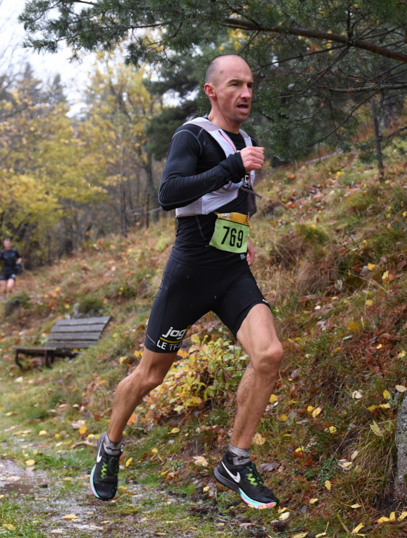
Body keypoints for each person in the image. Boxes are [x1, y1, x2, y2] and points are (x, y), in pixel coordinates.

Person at [90, 54, 283, 509]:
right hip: (190, 273)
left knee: (269, 354)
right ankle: (110, 448)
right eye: (236, 84)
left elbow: (237, 199)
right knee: (150, 375)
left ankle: (236, 459)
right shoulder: (192, 135)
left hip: (232, 270)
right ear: (212, 91)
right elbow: (169, 193)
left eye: (251, 84)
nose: (247, 93)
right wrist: (233, 165)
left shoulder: (247, 140)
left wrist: (244, 232)